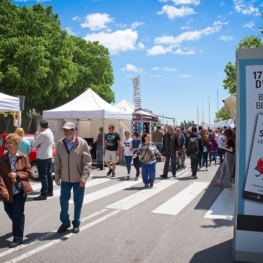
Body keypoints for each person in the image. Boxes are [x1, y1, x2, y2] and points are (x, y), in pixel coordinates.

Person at [55, 122, 91, 234]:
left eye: (68, 130)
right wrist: (57, 176)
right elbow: (57, 162)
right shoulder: (60, 144)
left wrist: (84, 177)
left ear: (74, 130)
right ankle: (65, 222)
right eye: (64, 130)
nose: (65, 132)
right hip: (65, 178)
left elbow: (87, 162)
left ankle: (76, 223)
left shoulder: (82, 143)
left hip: (78, 178)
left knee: (78, 201)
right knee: (63, 201)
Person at [0, 133, 33, 248]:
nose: (8, 145)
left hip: (20, 190)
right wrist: (3, 189)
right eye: (7, 143)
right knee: (9, 210)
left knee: (18, 213)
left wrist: (17, 174)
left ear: (17, 144)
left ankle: (18, 238)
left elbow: (29, 173)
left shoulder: (23, 157)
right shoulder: (2, 159)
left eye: (10, 143)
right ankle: (18, 223)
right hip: (7, 190)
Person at [32, 119, 55, 200]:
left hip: (42, 156)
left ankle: (43, 193)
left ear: (41, 126)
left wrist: (36, 136)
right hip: (49, 155)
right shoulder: (50, 132)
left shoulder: (42, 134)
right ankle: (50, 191)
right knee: (49, 174)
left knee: (43, 175)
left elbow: (34, 144)